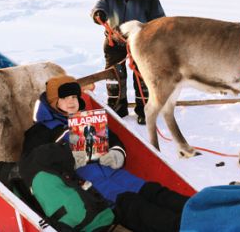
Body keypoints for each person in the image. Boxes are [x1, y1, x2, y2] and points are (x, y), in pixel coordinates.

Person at [23, 75, 188, 232]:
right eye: (65, 98)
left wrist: (117, 153)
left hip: (113, 171)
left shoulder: (87, 119)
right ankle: (182, 228)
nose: (71, 102)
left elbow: (113, 139)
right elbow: (34, 164)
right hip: (88, 184)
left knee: (154, 191)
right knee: (135, 206)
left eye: (74, 96)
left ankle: (201, 211)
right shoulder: (40, 131)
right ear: (53, 102)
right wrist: (69, 155)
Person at [91, 0, 165, 124]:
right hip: (114, 40)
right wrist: (99, 14)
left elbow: (159, 19)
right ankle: (117, 108)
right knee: (114, 75)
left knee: (143, 76)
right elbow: (99, 6)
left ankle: (145, 110)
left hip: (141, 42)